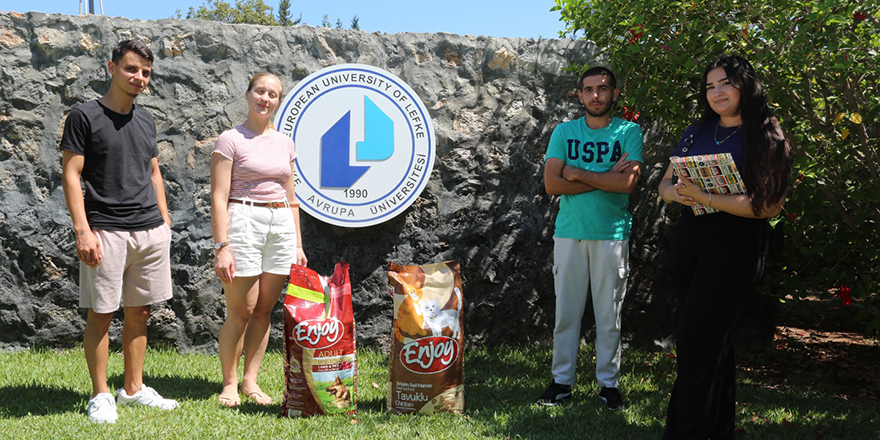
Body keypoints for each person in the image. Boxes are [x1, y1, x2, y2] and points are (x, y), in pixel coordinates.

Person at [658, 55, 790, 439]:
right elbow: (665, 184)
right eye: (710, 86)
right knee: (714, 342)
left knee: (696, 341)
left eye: (725, 84)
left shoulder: (766, 134)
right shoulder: (698, 129)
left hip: (735, 246)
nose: (716, 92)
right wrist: (678, 194)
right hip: (691, 241)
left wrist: (705, 195)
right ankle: (716, 431)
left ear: (744, 85)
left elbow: (768, 205)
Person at [61, 39, 179, 424]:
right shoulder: (84, 115)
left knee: (140, 312)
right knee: (101, 314)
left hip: (149, 231)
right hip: (105, 231)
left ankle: (132, 389)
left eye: (145, 72)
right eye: (131, 69)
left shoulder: (146, 120)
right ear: (111, 68)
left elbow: (153, 170)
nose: (139, 78)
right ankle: (100, 395)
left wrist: (164, 221)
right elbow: (71, 173)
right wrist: (83, 231)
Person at [537, 67, 643, 410]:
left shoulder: (629, 131)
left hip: (611, 234)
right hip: (569, 232)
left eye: (602, 89)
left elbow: (627, 184)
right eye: (589, 90)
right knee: (566, 313)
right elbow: (552, 184)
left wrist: (578, 173)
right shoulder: (564, 132)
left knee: (608, 315)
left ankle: (608, 385)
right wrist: (605, 176)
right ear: (579, 95)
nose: (596, 95)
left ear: (614, 93)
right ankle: (561, 382)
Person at [211, 72, 307, 407]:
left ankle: (251, 381)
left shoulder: (285, 143)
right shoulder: (230, 139)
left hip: (280, 221)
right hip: (244, 220)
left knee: (265, 309)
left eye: (273, 94)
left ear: (279, 101)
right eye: (260, 91)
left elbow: (291, 196)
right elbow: (218, 196)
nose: (265, 99)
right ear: (248, 94)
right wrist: (222, 246)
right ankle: (230, 383)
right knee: (242, 309)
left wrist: (297, 243)